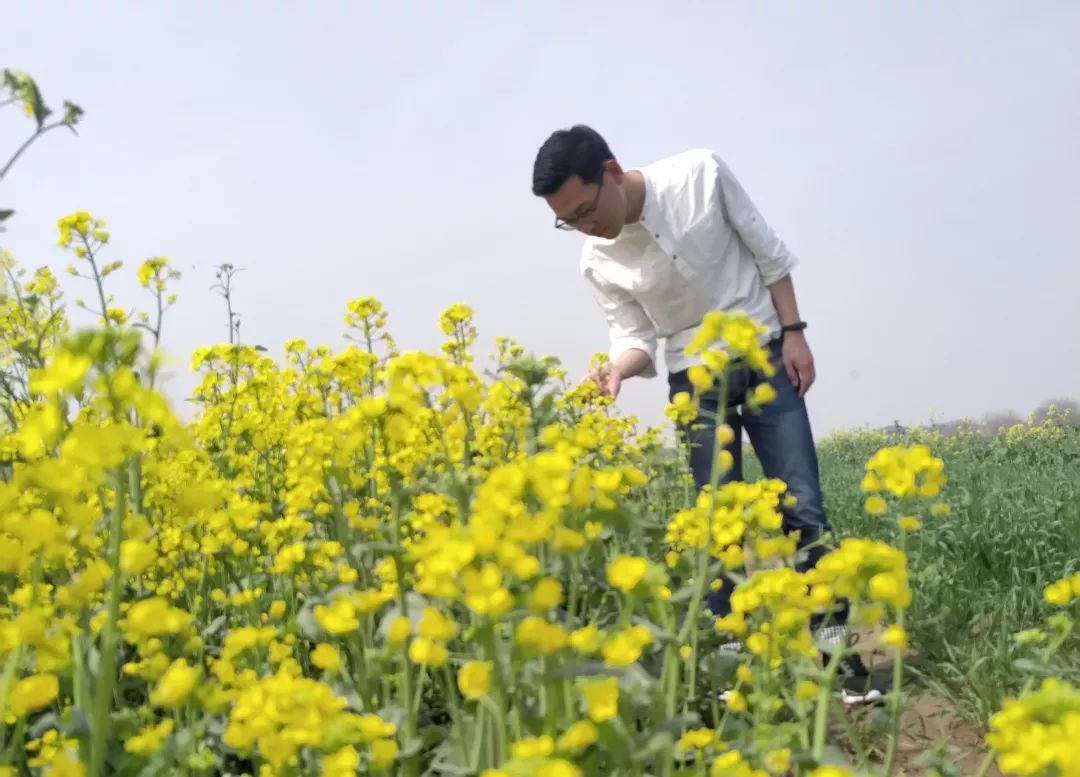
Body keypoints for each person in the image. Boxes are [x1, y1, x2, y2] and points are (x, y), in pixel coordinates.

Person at [530, 124, 888, 705]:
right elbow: (634, 334)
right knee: (717, 527)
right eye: (568, 221)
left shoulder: (702, 173)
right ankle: (733, 677)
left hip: (766, 355)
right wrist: (619, 369)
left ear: (613, 172)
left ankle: (839, 665)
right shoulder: (595, 259)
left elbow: (768, 253)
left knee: (804, 511)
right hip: (693, 382)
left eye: (588, 209)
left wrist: (795, 332)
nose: (585, 227)